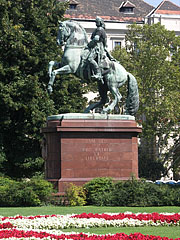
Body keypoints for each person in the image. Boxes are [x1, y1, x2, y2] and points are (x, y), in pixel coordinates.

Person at [87, 17, 110, 84]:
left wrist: (89, 45)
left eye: (97, 21)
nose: (96, 23)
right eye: (96, 21)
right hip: (95, 46)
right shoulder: (96, 29)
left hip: (98, 47)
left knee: (90, 59)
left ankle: (98, 73)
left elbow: (96, 39)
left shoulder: (100, 29)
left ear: (100, 22)